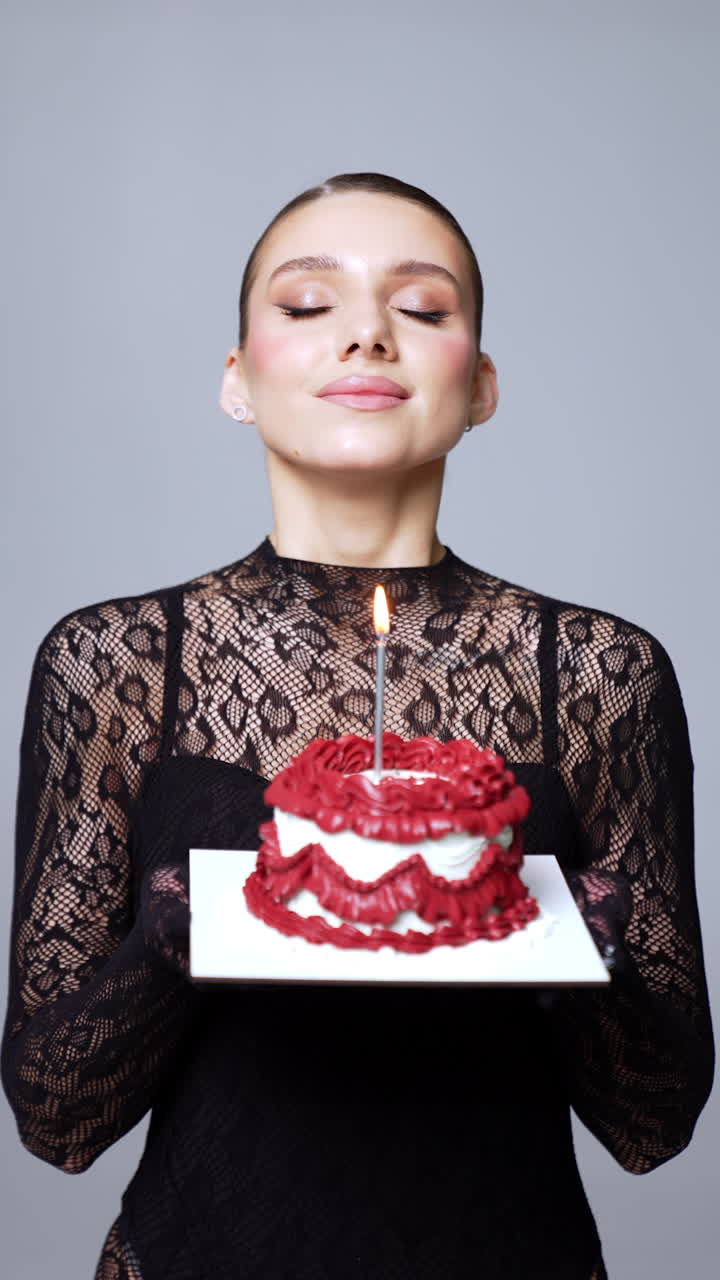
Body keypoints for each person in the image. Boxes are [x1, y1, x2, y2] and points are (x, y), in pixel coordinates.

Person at [1, 171, 714, 1280]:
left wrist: (584, 947)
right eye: (306, 306)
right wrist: (169, 939)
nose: (368, 334)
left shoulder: (600, 674)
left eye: (422, 309)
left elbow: (653, 1126)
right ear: (238, 381)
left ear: (478, 385)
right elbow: (55, 1121)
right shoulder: (117, 664)